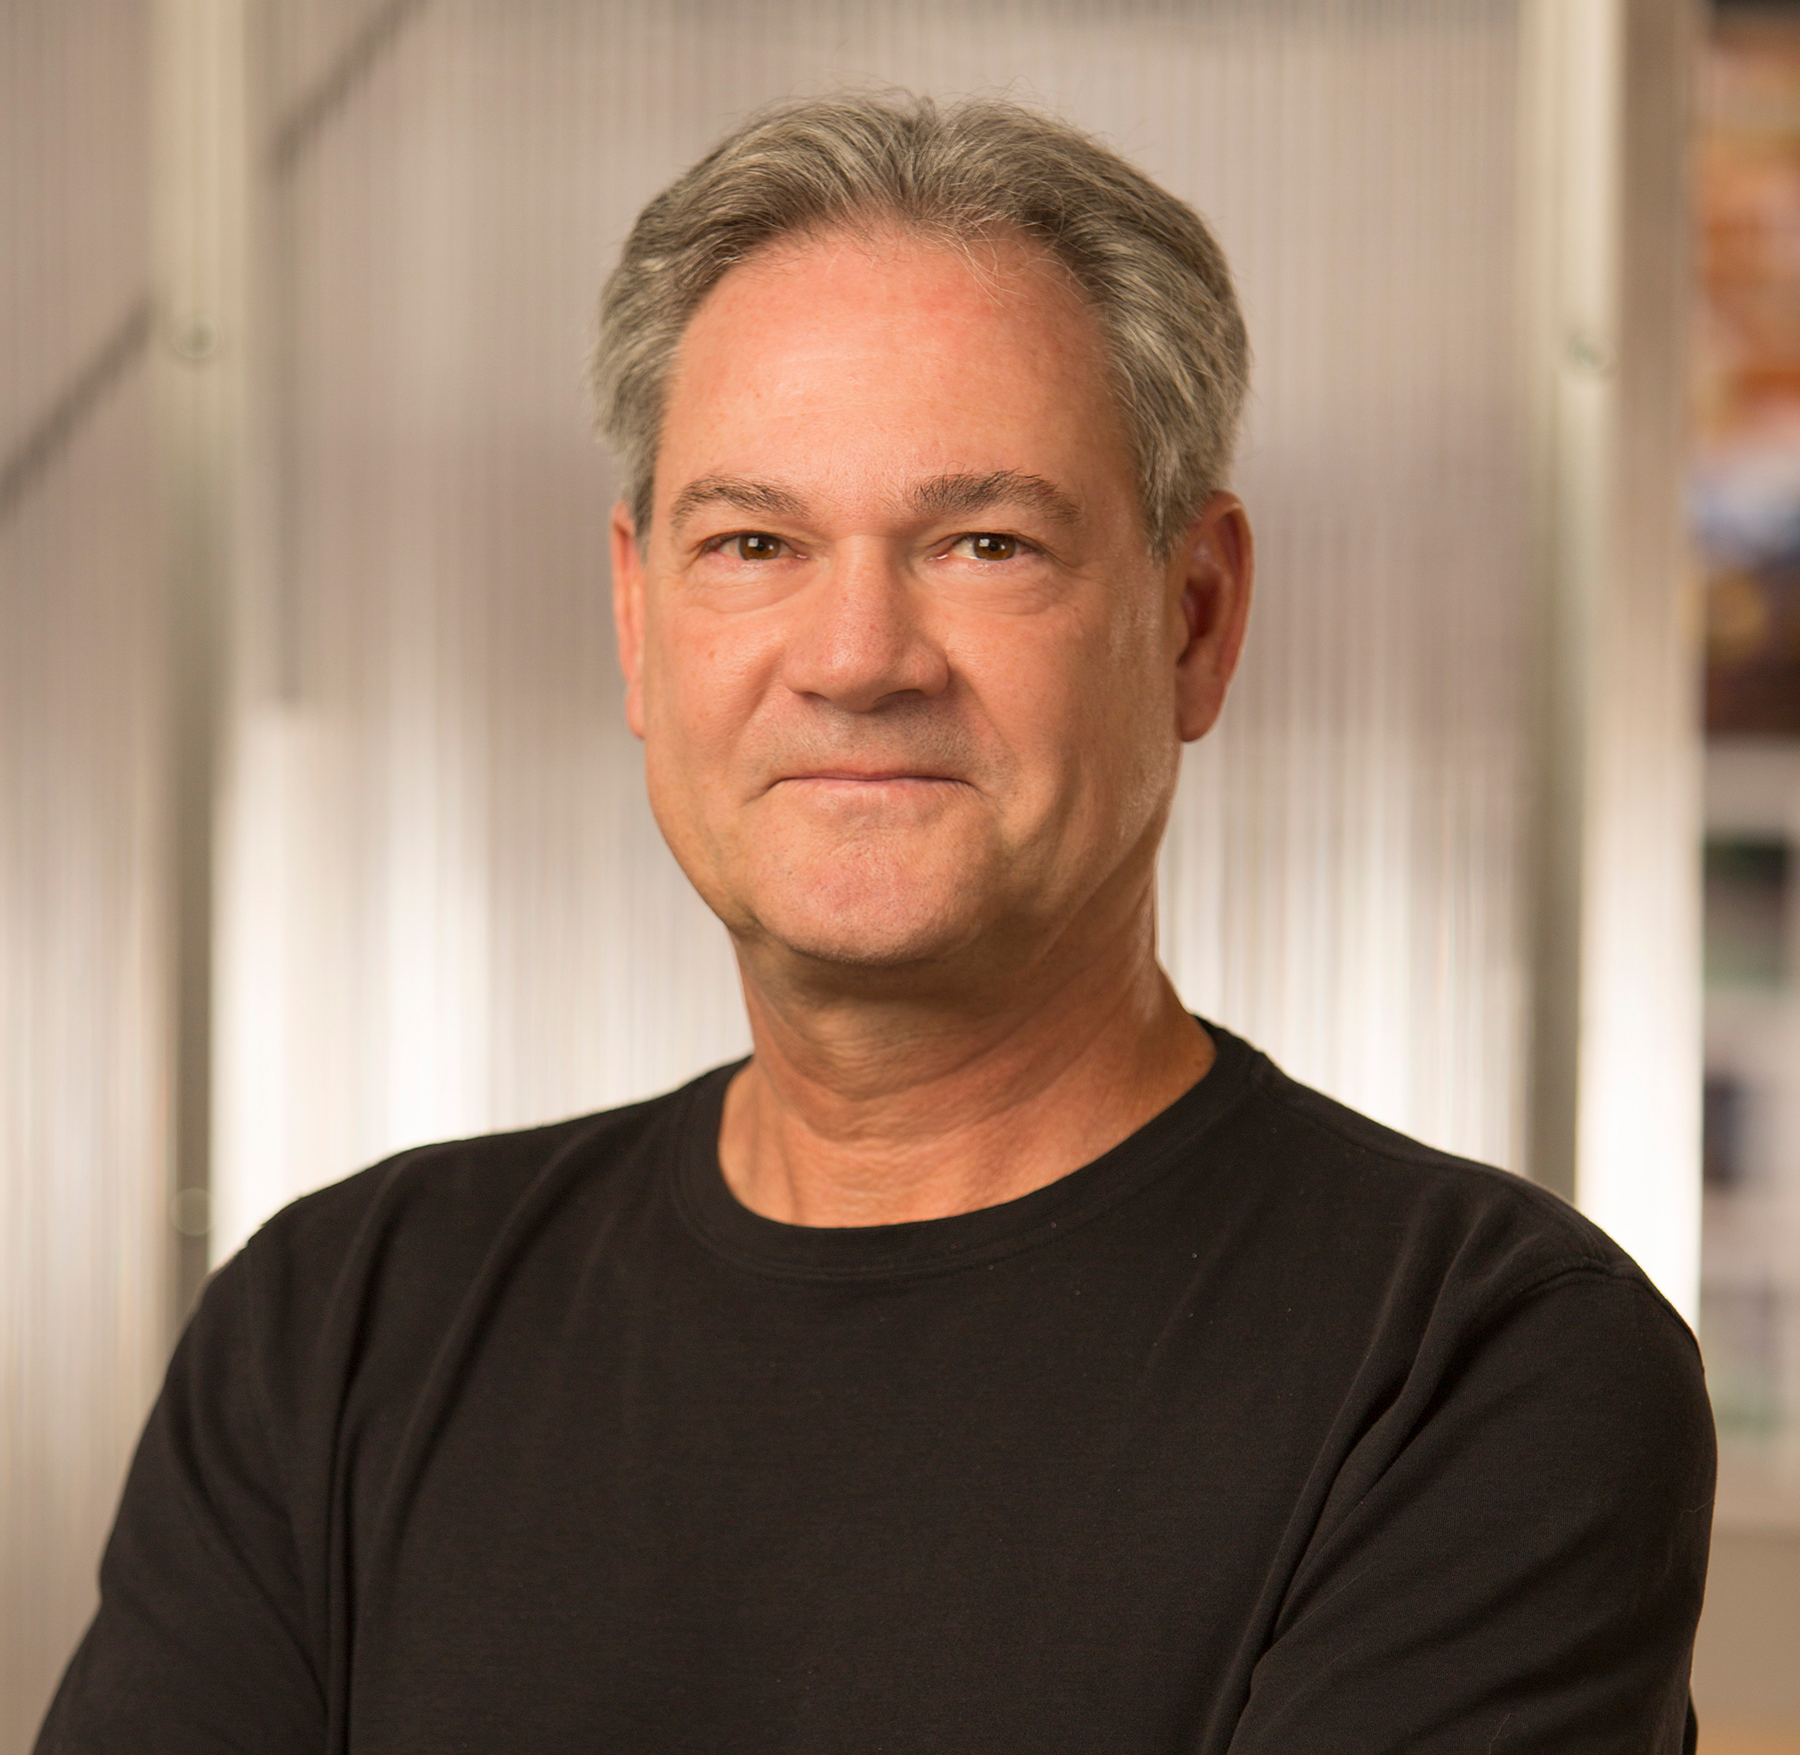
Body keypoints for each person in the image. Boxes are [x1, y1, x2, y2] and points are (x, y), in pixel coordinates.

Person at [38, 94, 1712, 1755]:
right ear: (640, 620)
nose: (856, 656)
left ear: (1195, 619)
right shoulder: (337, 1331)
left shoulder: (1478, 1370)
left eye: (985, 542)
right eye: (753, 542)